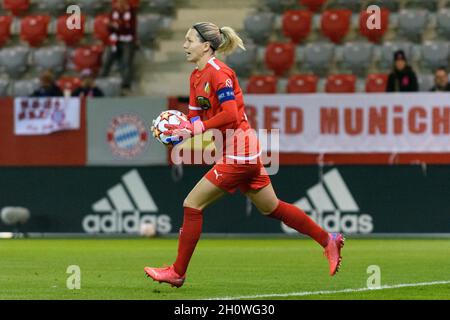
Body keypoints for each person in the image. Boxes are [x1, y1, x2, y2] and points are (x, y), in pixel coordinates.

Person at [144, 22, 345, 288]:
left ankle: (178, 272)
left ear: (206, 46)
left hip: (240, 152)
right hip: (235, 152)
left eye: (189, 40)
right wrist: (180, 132)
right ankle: (328, 240)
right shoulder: (195, 77)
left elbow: (230, 114)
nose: (184, 45)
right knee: (271, 207)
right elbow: (194, 118)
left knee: (192, 204)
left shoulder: (220, 73)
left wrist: (199, 127)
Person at [99, 0, 136, 91]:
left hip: (127, 41)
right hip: (114, 40)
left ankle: (126, 85)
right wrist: (116, 26)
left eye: (121, 3)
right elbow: (109, 27)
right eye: (118, 3)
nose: (119, 5)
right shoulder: (113, 12)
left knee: (126, 63)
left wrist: (117, 26)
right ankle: (100, 82)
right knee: (106, 60)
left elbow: (130, 29)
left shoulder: (131, 13)